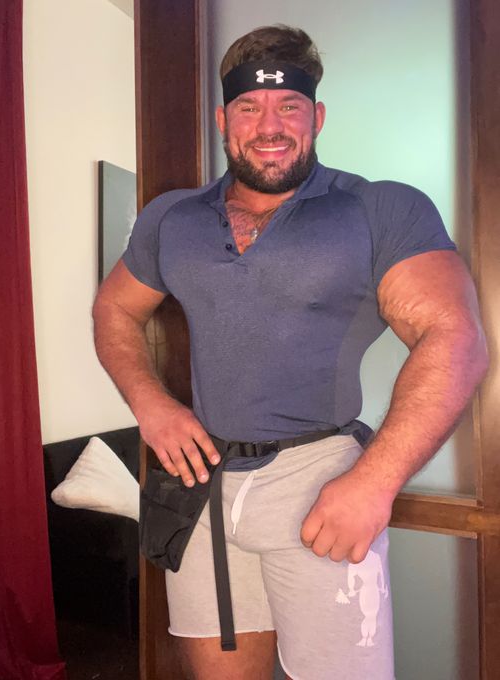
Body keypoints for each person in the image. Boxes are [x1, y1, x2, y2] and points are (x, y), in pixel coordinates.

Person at [92, 24, 488, 680]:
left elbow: (455, 338)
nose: (269, 126)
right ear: (224, 119)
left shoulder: (378, 209)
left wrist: (375, 483)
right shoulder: (172, 218)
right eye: (249, 107)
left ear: (317, 116)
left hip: (320, 484)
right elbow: (114, 309)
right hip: (201, 487)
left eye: (289, 106)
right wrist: (150, 405)